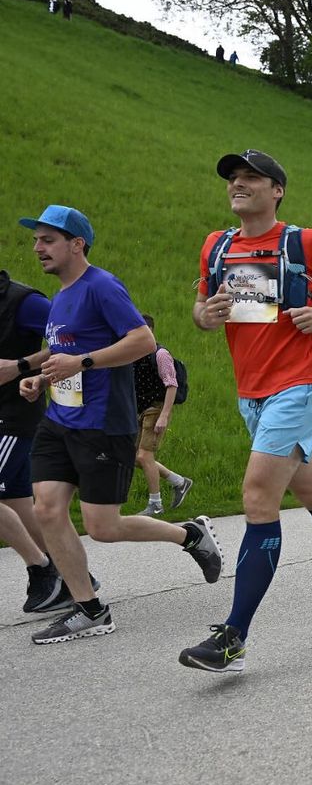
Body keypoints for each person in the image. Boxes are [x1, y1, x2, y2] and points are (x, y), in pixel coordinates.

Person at [180, 150, 312, 673]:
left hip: (301, 386)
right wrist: (206, 315)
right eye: (233, 177)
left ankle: (233, 637)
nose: (238, 184)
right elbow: (203, 311)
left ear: (277, 190)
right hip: (251, 394)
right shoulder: (217, 245)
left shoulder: (306, 242)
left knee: (257, 496)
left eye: (251, 177)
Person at [18, 205, 222, 645]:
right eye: (36, 240)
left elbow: (142, 340)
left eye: (47, 240)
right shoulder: (60, 297)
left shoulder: (101, 286)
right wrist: (39, 375)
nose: (37, 248)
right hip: (59, 418)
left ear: (77, 244)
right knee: (48, 510)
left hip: (102, 423)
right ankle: (90, 609)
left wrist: (83, 362)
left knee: (102, 527)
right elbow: (63, 351)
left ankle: (189, 534)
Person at [0, 266, 72, 613]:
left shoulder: (24, 301)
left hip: (14, 415)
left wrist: (19, 365)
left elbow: (72, 336)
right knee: (16, 500)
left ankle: (42, 569)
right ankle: (74, 577)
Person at [131, 314, 193, 516]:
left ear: (149, 331)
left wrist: (164, 416)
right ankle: (179, 481)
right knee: (134, 457)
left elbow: (171, 384)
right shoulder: (133, 355)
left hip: (156, 409)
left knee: (144, 455)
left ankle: (155, 504)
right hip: (140, 409)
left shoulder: (160, 354)